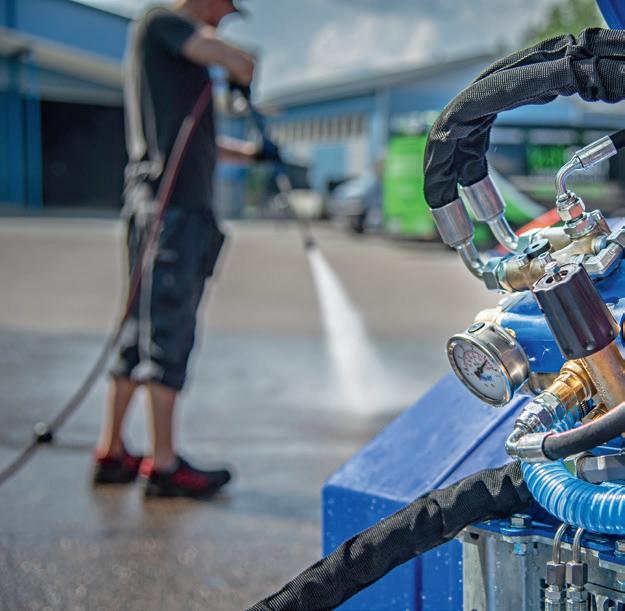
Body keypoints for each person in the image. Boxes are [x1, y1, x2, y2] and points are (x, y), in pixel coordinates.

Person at [92, 0, 275, 497]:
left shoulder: (173, 57)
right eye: (224, 10)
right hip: (173, 210)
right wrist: (240, 74)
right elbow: (242, 61)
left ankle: (112, 451)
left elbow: (202, 144)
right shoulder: (163, 22)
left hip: (155, 206)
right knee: (167, 331)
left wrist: (254, 153)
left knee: (138, 329)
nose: (223, 20)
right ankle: (165, 464)